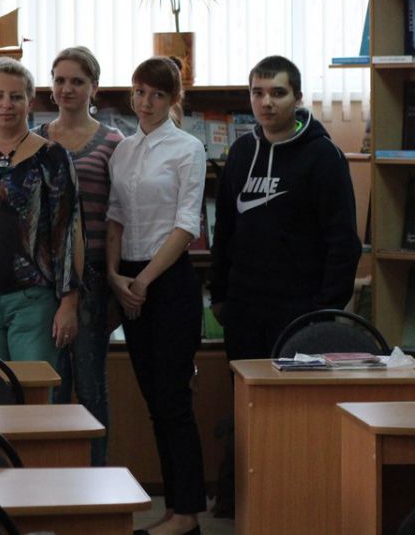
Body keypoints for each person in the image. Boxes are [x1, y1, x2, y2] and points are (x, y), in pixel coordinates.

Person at [207, 54, 361, 517]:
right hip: (244, 308)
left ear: (297, 97)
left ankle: (289, 504)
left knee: (293, 414)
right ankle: (238, 502)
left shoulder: (323, 156)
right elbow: (225, 230)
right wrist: (221, 293)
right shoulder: (240, 153)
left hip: (300, 312)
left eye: (277, 93)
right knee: (244, 405)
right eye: (258, 93)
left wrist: (324, 310)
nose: (266, 103)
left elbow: (343, 241)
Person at [107, 56, 206, 535]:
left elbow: (187, 225)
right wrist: (114, 276)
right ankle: (174, 510)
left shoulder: (188, 148)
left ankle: (187, 513)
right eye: (139, 92)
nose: (145, 102)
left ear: (173, 99)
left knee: (173, 402)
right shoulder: (123, 149)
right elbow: (115, 217)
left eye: (157, 95)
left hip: (166, 282)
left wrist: (143, 280)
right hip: (127, 281)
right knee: (155, 403)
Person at [0, 57, 80, 363]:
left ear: (30, 101)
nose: (6, 104)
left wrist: (69, 302)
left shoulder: (52, 158)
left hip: (33, 301)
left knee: (35, 391)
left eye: (16, 96)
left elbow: (69, 233)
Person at [37, 46, 123, 466]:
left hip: (92, 277)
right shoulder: (34, 139)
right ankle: (55, 481)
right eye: (60, 80)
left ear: (94, 88)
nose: (67, 88)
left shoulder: (113, 142)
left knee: (90, 387)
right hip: (42, 277)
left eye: (77, 81)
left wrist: (113, 280)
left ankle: (95, 480)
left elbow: (120, 215)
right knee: (52, 386)